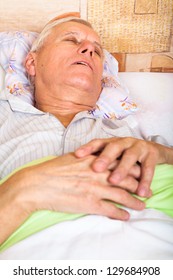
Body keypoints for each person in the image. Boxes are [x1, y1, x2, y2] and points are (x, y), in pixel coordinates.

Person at [0, 16, 173, 245]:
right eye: (71, 40)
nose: (89, 49)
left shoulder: (130, 133)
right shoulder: (5, 118)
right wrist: (21, 188)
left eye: (98, 52)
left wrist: (164, 154)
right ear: (31, 63)